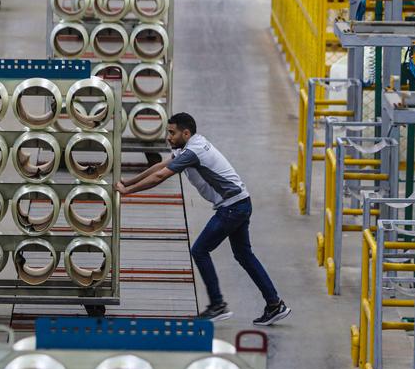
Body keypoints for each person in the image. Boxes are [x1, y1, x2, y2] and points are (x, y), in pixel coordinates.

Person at [114, 113, 291, 325]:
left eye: (172, 133)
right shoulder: (188, 146)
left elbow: (161, 176)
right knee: (244, 255)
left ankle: (217, 305)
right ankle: (274, 304)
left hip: (232, 208)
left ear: (186, 133)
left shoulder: (193, 152)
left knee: (199, 250)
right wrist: (127, 182)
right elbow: (159, 167)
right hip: (240, 203)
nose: (168, 137)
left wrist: (128, 192)